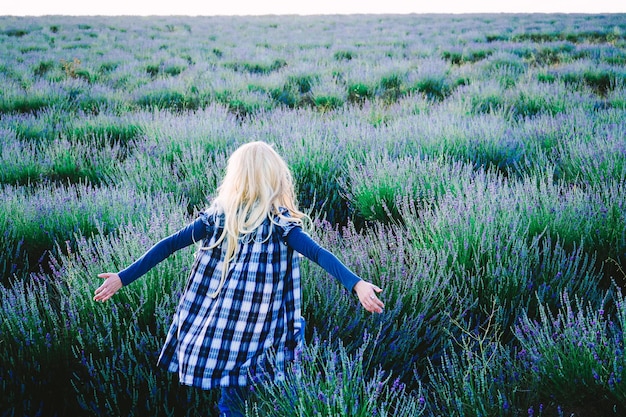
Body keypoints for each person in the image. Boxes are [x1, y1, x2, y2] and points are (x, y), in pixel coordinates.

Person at [94, 141, 384, 416]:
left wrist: (122, 277)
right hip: (264, 333)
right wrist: (356, 284)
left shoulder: (219, 218)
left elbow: (168, 245)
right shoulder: (279, 225)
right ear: (275, 178)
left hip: (226, 333)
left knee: (233, 401)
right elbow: (319, 254)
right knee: (273, 393)